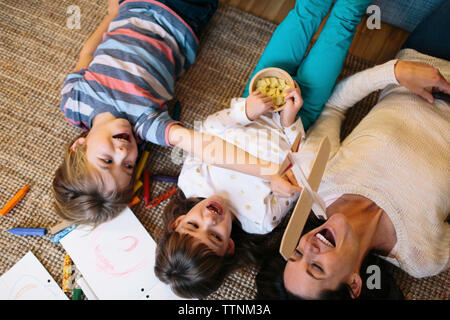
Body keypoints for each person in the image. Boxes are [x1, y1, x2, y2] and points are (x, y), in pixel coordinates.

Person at [154, 0, 373, 298]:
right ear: (229, 246)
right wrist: (289, 120)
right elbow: (295, 162)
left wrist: (247, 110)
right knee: (343, 26)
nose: (210, 218)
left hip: (258, 92)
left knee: (304, 14)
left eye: (193, 224)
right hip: (299, 115)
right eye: (215, 236)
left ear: (178, 221)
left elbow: (210, 128)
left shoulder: (190, 182)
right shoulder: (260, 221)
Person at [52, 0, 297, 227]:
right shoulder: (146, 125)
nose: (123, 152)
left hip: (132, 6)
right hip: (183, 16)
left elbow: (86, 54)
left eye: (107, 161)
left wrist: (112, 15)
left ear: (79, 146)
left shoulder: (74, 103)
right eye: (128, 166)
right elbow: (207, 147)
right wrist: (268, 170)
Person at [281, 0, 450, 299]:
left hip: (428, 59)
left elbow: (334, 106)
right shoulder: (422, 258)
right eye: (316, 267)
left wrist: (395, 73)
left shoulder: (315, 181)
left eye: (296, 254)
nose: (308, 247)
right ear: (354, 283)